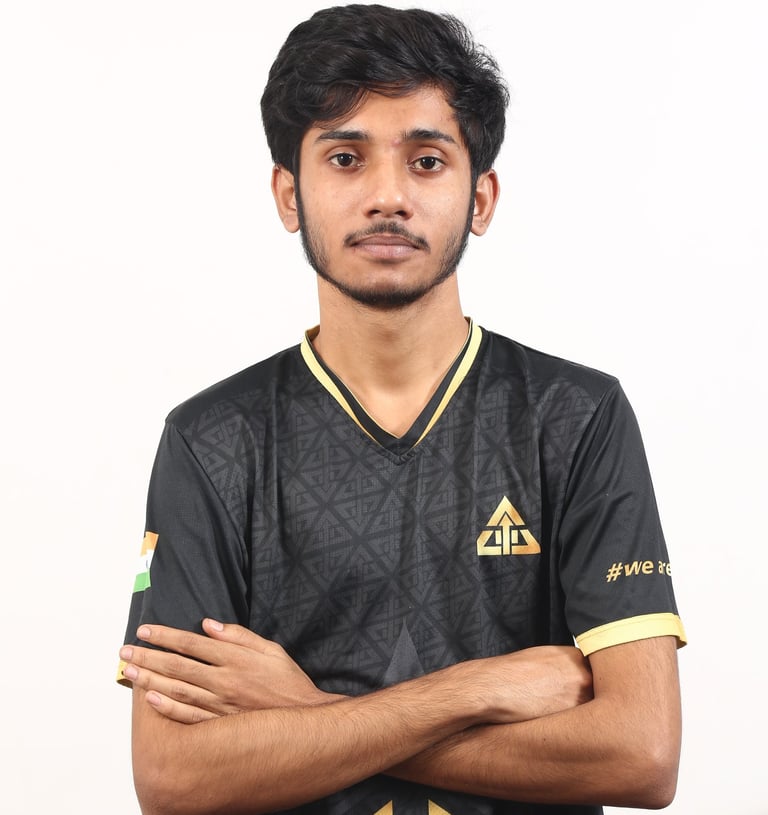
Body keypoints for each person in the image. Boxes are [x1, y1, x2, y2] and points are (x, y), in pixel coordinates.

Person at [117, 5, 686, 814]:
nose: (387, 196)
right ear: (289, 194)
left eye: (426, 161)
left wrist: (307, 710)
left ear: (480, 197)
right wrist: (473, 689)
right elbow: (173, 777)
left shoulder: (575, 417)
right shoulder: (213, 441)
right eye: (346, 158)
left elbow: (642, 753)